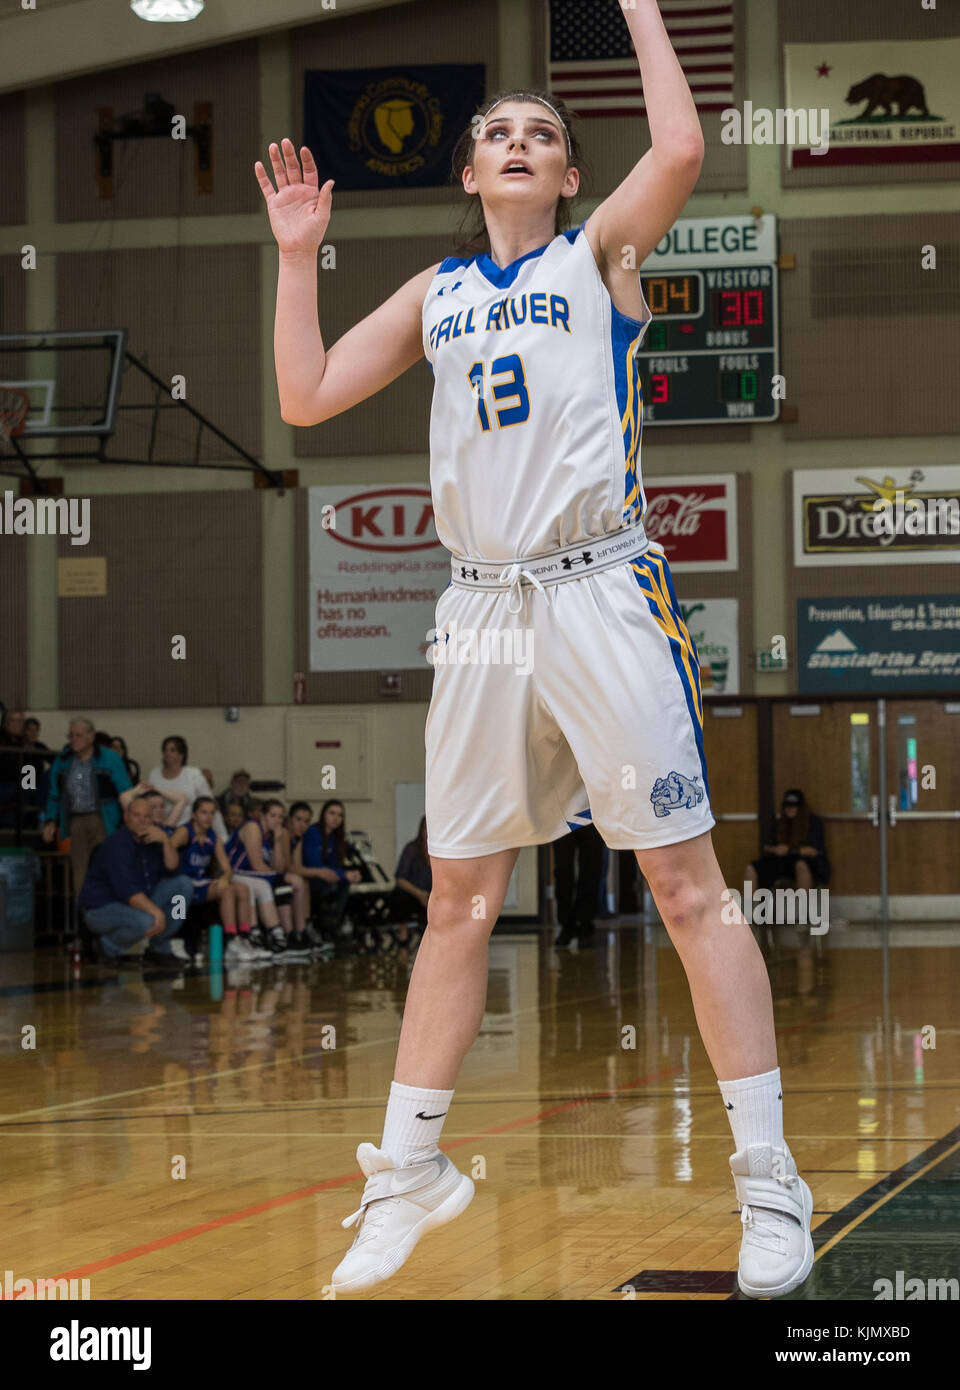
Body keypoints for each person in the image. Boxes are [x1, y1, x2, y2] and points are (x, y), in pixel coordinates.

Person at [259, 1, 813, 1301]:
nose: (517, 141)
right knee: (457, 902)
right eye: (494, 132)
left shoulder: (598, 257)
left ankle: (771, 1178)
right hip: (483, 610)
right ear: (467, 173)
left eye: (542, 133)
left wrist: (636, 9)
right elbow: (305, 397)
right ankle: (411, 1172)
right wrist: (297, 259)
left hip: (601, 593)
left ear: (569, 175)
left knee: (686, 890)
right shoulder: (436, 294)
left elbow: (677, 145)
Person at [77, 793, 194, 966]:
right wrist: (156, 912)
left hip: (136, 902)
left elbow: (172, 869)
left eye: (147, 816)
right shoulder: (116, 845)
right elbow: (128, 892)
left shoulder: (154, 840)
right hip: (102, 909)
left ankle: (159, 947)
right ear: (126, 817)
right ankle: (105, 947)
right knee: (148, 921)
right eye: (136, 816)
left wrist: (166, 841)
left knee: (184, 886)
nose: (142, 821)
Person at [42, 717, 139, 895]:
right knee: (80, 869)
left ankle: (108, 907)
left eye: (78, 735)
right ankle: (84, 912)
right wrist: (50, 821)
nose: (73, 740)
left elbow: (126, 792)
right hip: (75, 820)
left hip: (105, 820)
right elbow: (54, 795)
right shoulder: (63, 760)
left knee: (107, 864)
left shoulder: (110, 758)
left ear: (91, 736)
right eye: (70, 736)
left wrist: (131, 822)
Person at [169, 797, 263, 963]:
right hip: (183, 884)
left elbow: (227, 869)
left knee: (242, 888)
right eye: (204, 812)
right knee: (226, 890)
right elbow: (167, 852)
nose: (208, 817)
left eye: (212, 813)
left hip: (201, 882)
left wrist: (225, 878)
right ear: (194, 814)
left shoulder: (213, 836)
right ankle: (230, 940)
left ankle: (243, 938)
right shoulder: (184, 832)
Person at [227, 800, 310, 958]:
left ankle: (281, 935)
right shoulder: (253, 827)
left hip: (251, 876)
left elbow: (278, 866)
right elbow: (257, 864)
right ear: (262, 815)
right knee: (272, 884)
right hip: (234, 873)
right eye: (273, 815)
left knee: (273, 884)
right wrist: (278, 876)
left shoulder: (270, 835)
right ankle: (256, 934)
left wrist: (278, 840)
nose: (277, 820)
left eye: (280, 817)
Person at [293, 799, 363, 942]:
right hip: (311, 876)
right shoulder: (313, 833)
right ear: (323, 814)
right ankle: (327, 928)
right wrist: (343, 874)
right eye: (332, 813)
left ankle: (337, 926)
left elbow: (335, 866)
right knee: (334, 885)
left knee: (345, 884)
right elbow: (315, 865)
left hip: (326, 876)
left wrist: (351, 874)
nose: (335, 818)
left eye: (340, 815)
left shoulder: (336, 838)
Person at [745, 789, 830, 897]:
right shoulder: (779, 822)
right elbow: (767, 846)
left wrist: (790, 850)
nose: (790, 809)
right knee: (751, 868)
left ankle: (802, 909)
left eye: (793, 806)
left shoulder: (813, 822)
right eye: (787, 806)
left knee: (801, 866)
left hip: (804, 861)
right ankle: (750, 908)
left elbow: (814, 851)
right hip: (781, 860)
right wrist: (776, 849)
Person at [147, 736, 227, 840]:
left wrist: (222, 836)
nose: (168, 753)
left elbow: (210, 805)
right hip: (161, 827)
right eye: (165, 750)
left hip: (188, 830)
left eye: (172, 750)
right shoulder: (154, 774)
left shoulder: (193, 774)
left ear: (181, 754)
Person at [553, 821, 604, 948]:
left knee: (591, 868)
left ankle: (585, 923)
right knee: (562, 870)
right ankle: (566, 924)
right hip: (562, 814)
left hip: (591, 813)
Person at [383, 816, 431, 946]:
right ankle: (403, 936)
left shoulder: (441, 852)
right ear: (421, 830)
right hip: (411, 893)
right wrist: (419, 894)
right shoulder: (412, 849)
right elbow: (400, 879)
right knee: (399, 897)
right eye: (427, 828)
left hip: (430, 895)